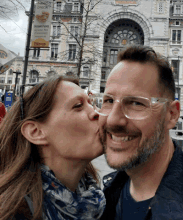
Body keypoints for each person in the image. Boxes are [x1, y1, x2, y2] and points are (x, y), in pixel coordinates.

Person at [95, 45, 183, 220]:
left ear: (171, 115)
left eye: (136, 103)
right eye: (108, 100)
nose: (113, 120)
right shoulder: (104, 196)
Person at [0, 75, 106, 220]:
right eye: (78, 106)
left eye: (91, 103)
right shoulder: (11, 212)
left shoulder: (102, 199)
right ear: (36, 132)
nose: (97, 112)